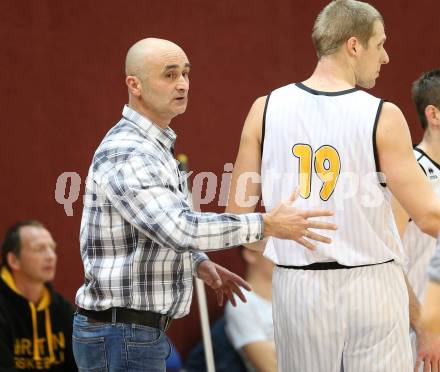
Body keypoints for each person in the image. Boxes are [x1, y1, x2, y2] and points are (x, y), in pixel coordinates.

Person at [72, 37, 337, 372]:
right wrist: (266, 224)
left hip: (130, 334)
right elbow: (180, 229)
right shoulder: (130, 151)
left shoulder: (152, 147)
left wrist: (196, 263)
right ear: (134, 85)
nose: (182, 84)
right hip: (122, 335)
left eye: (186, 73)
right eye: (170, 75)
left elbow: (150, 231)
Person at [226, 1, 440, 371]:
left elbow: (237, 220)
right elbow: (429, 216)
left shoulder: (265, 108)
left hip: (298, 286)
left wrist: (279, 236)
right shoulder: (382, 114)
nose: (386, 57)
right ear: (354, 45)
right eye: (380, 44)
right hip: (372, 283)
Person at [395, 70, 440, 371]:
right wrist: (424, 327)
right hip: (416, 335)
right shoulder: (410, 172)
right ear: (434, 114)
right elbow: (386, 258)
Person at [0, 220, 77, 371]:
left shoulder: (63, 310)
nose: (51, 256)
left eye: (52, 248)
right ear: (13, 260)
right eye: (39, 249)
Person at [225, 248, 276, 372]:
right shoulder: (241, 303)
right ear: (250, 254)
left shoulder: (294, 295)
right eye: (274, 247)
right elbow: (271, 367)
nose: (283, 254)